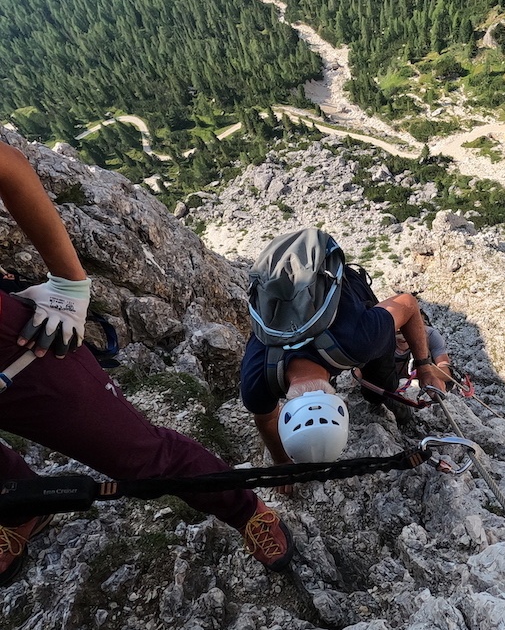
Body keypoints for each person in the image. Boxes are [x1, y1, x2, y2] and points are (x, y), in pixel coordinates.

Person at [0, 141, 295, 586]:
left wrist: (70, 282)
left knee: (140, 456)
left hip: (19, 348)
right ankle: (21, 507)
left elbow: (6, 163)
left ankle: (246, 510)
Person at [240, 238, 447, 473]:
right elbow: (265, 419)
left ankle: (383, 396)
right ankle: (379, 395)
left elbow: (408, 303)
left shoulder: (361, 342)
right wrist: (281, 462)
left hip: (342, 298)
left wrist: (425, 367)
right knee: (375, 388)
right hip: (291, 291)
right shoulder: (255, 383)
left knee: (379, 388)